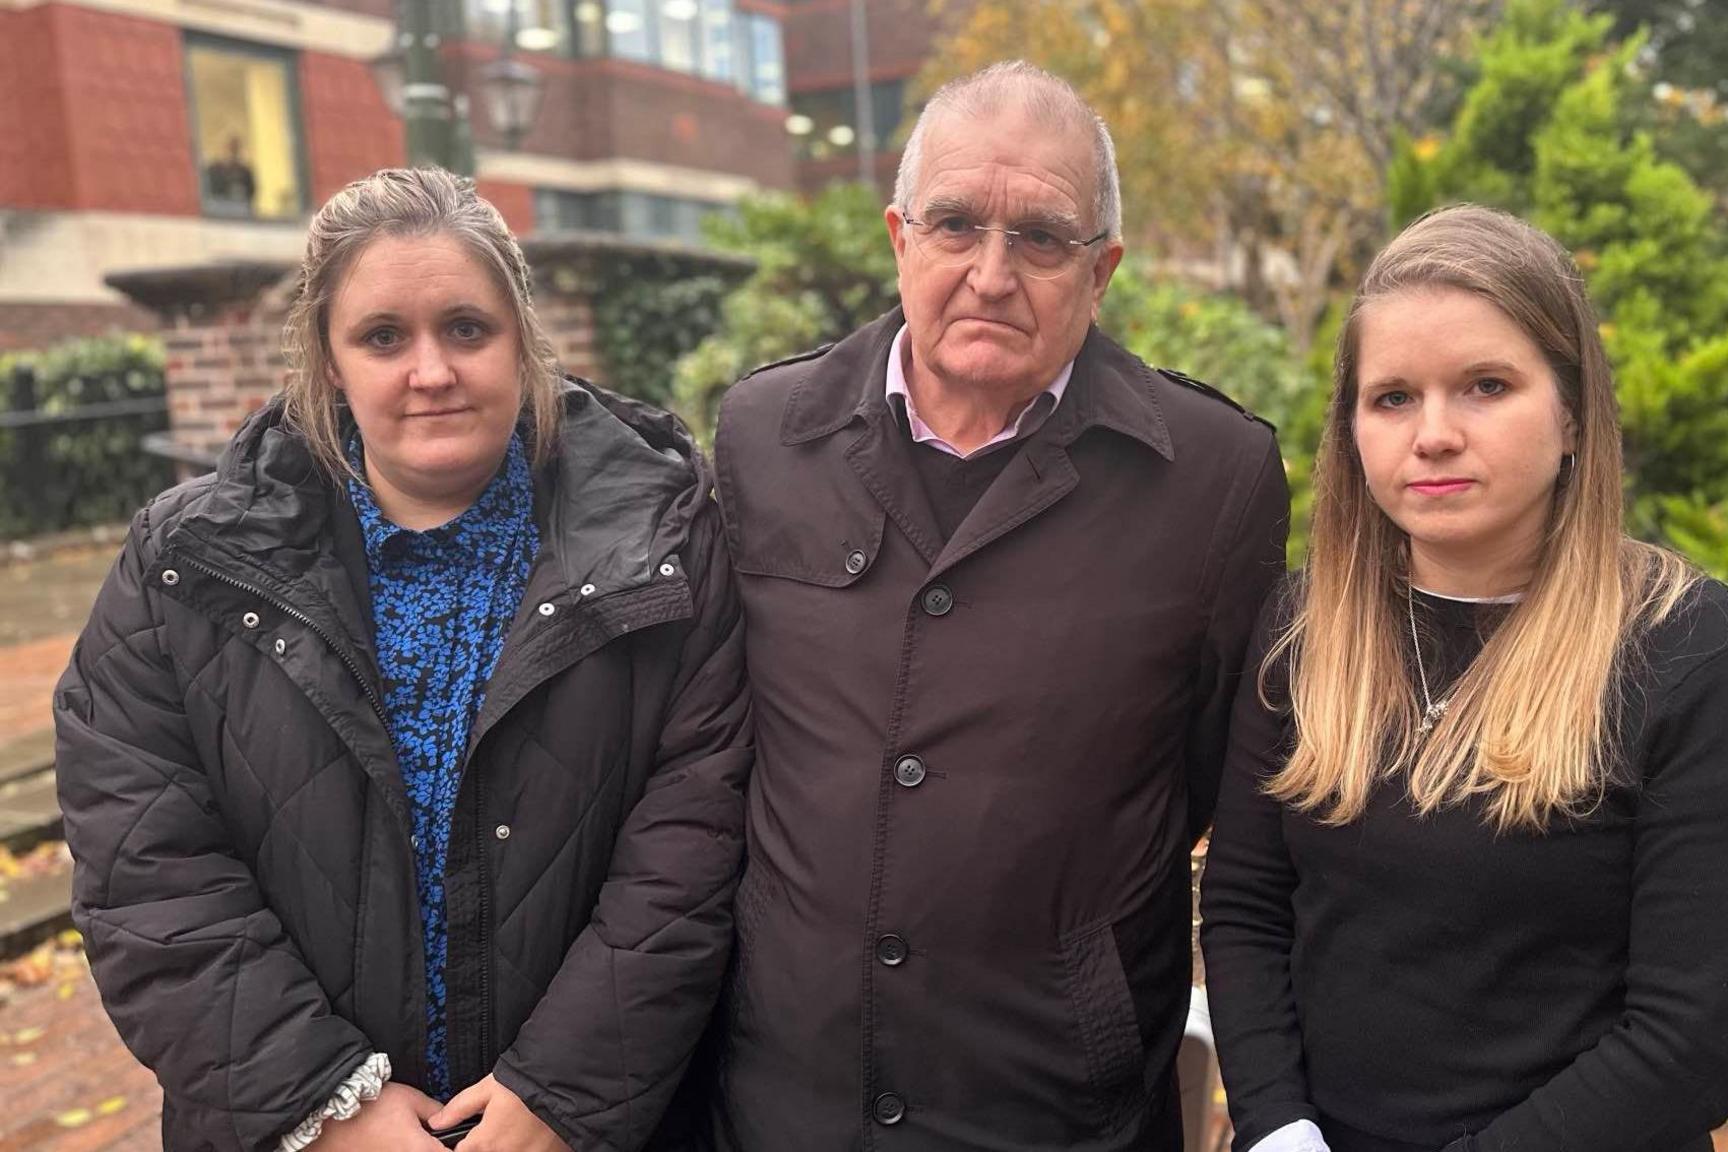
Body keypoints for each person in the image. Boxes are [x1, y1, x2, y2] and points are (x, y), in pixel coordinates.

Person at [53, 167, 751, 1152]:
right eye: (384, 337)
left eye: (466, 328)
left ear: (521, 341)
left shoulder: (665, 548)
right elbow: (146, 869)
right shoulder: (185, 571)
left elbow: (692, 851)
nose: (431, 370)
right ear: (330, 362)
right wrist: (323, 1103)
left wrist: (558, 1093)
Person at [694, 60, 1290, 1150]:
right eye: (956, 224)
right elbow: (718, 738)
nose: (989, 272)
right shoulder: (762, 436)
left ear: (1101, 269)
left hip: (1056, 1105)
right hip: (786, 1094)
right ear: (898, 238)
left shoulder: (1214, 480)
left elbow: (1205, 777)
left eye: (1042, 238)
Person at [1200, 204, 1728, 1152]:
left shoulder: (1695, 654)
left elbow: (1687, 1044)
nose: (1433, 434)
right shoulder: (1303, 627)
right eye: (1392, 397)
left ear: (1571, 413)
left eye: (1486, 386)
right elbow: (1244, 906)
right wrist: (1278, 1126)